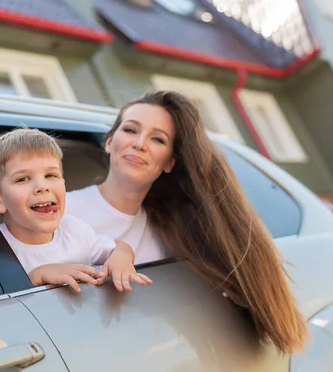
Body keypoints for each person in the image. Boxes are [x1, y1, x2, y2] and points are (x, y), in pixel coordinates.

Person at [65, 90, 308, 353]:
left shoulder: (169, 231)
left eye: (157, 139)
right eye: (131, 130)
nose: (140, 143)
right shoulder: (61, 210)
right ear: (110, 142)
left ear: (169, 162)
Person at [0, 127, 152, 293]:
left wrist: (121, 258)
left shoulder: (74, 230)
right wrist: (38, 276)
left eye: (51, 175)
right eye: (23, 179)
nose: (42, 186)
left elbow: (119, 247)